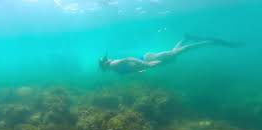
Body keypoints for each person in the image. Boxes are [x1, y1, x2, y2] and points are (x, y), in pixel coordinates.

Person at [99, 35, 243, 74]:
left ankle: (208, 42)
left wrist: (146, 65)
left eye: (107, 58)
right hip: (147, 60)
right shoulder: (113, 67)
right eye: (106, 59)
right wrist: (143, 69)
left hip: (149, 59)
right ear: (104, 64)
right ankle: (186, 37)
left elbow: (128, 59)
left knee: (180, 52)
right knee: (174, 54)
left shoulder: (113, 65)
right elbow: (129, 66)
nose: (109, 59)